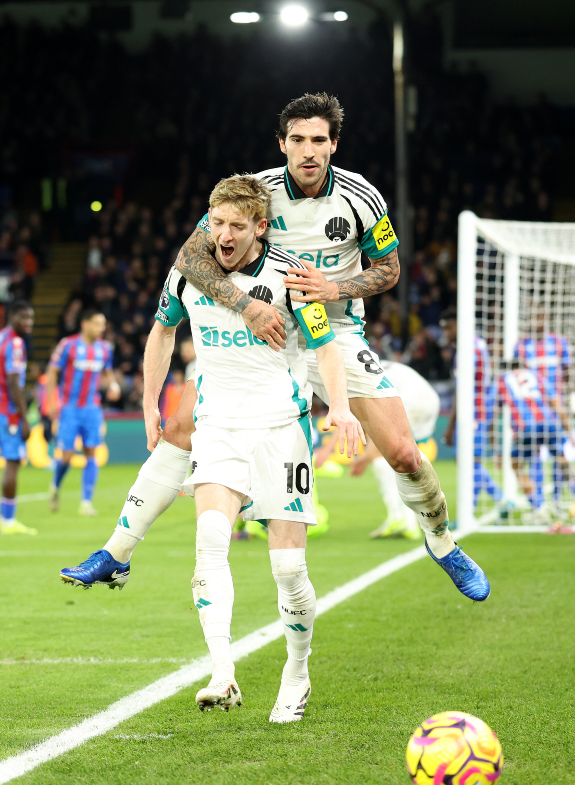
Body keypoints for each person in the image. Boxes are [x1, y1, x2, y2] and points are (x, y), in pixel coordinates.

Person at [61, 92, 489, 602]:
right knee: (180, 426)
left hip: (335, 335)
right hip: (264, 336)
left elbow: (390, 270)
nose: (308, 151)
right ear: (282, 143)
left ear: (334, 145)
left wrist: (335, 289)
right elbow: (189, 257)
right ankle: (116, 552)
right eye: (298, 140)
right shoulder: (255, 194)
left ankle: (442, 543)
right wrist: (247, 307)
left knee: (401, 452)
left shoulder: (361, 198)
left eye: (318, 141)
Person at [72, 176, 364, 720]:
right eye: (216, 222)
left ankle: (296, 672)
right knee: (210, 540)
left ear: (260, 227)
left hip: (281, 430)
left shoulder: (290, 277)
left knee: (288, 570)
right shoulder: (189, 273)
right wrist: (150, 402)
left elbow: (325, 349)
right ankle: (222, 672)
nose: (223, 235)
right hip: (219, 428)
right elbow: (161, 333)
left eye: (236, 225)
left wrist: (340, 408)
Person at [513, 308, 575, 530]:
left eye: (540, 316)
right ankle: (542, 506)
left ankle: (558, 501)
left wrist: (573, 398)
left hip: (555, 408)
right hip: (530, 411)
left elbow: (568, 374)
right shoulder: (521, 346)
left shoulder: (559, 343)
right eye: (533, 315)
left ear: (546, 319)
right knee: (536, 456)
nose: (537, 320)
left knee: (559, 456)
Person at [492, 359, 575, 527]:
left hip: (525, 428)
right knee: (562, 459)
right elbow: (556, 404)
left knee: (517, 466)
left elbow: (492, 413)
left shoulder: (501, 381)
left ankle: (539, 509)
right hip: (548, 423)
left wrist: (497, 450)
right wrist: (572, 436)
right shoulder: (537, 375)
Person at [46, 308, 120, 516]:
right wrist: (52, 401)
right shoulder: (67, 345)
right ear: (84, 324)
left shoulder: (104, 348)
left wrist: (113, 384)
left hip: (92, 408)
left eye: (103, 324)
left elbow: (107, 371)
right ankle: (55, 485)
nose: (101, 328)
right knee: (67, 456)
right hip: (69, 408)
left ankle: (86, 502)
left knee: (91, 453)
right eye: (97, 324)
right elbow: (52, 373)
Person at [355, 360, 439, 540]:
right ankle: (409, 519)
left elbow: (375, 421)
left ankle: (399, 517)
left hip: (411, 402)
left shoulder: (355, 375)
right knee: (406, 458)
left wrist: (364, 459)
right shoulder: (370, 361)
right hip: (429, 399)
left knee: (382, 460)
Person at [441, 309, 499, 516]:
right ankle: (474, 509)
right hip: (481, 408)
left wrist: (450, 427)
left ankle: (500, 500)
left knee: (467, 461)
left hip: (472, 412)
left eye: (448, 328)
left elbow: (462, 391)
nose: (445, 333)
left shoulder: (467, 350)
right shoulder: (479, 344)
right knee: (470, 461)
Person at [0, 300, 37, 536]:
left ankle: (6, 519)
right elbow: (13, 380)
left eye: (31, 319)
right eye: (24, 318)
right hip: (7, 410)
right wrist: (24, 417)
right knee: (13, 460)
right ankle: (7, 522)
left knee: (12, 460)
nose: (29, 323)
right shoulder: (15, 342)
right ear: (13, 317)